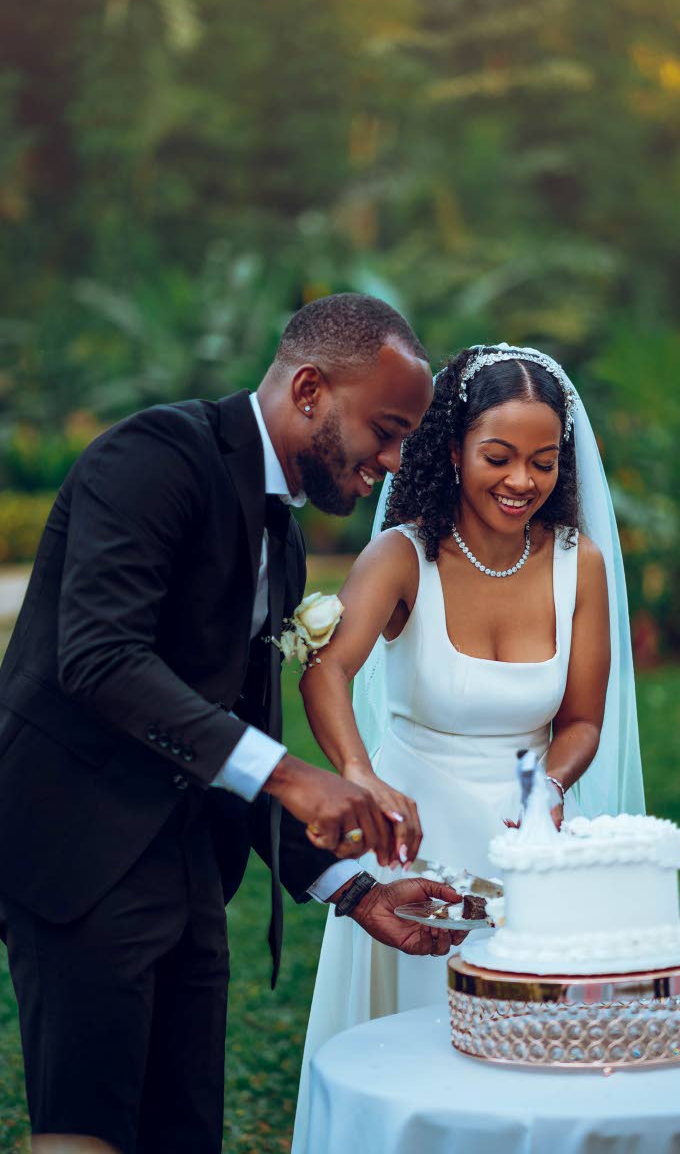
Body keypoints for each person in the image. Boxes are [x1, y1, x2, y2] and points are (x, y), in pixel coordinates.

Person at [0, 293, 467, 1154]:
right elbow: (99, 658)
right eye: (387, 430)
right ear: (310, 391)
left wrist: (352, 889)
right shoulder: (151, 458)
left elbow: (238, 738)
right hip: (79, 851)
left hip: (189, 867)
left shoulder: (281, 539)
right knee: (87, 1134)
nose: (395, 461)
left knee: (185, 1133)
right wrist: (297, 776)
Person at [291, 343, 646, 1153]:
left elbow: (582, 722)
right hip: (412, 842)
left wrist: (548, 786)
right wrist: (358, 777)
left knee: (527, 1065)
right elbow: (326, 671)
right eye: (499, 457)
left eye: (544, 462)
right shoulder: (402, 555)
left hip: (526, 837)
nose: (522, 480)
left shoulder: (576, 565)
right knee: (415, 1061)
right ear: (452, 451)